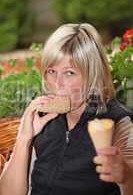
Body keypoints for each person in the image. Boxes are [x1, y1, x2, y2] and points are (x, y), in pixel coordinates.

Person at [0, 23, 133, 195]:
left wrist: (126, 176)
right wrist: (24, 137)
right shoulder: (43, 119)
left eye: (69, 73)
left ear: (93, 75)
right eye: (51, 71)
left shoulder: (116, 123)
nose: (57, 83)